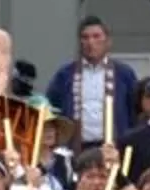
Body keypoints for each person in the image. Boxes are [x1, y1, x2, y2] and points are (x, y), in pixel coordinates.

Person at [50, 16, 138, 154]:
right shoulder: (66, 74)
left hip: (114, 146)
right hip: (77, 146)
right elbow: (53, 108)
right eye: (85, 37)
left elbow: (134, 110)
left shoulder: (123, 73)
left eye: (96, 36)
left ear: (108, 41)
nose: (91, 42)